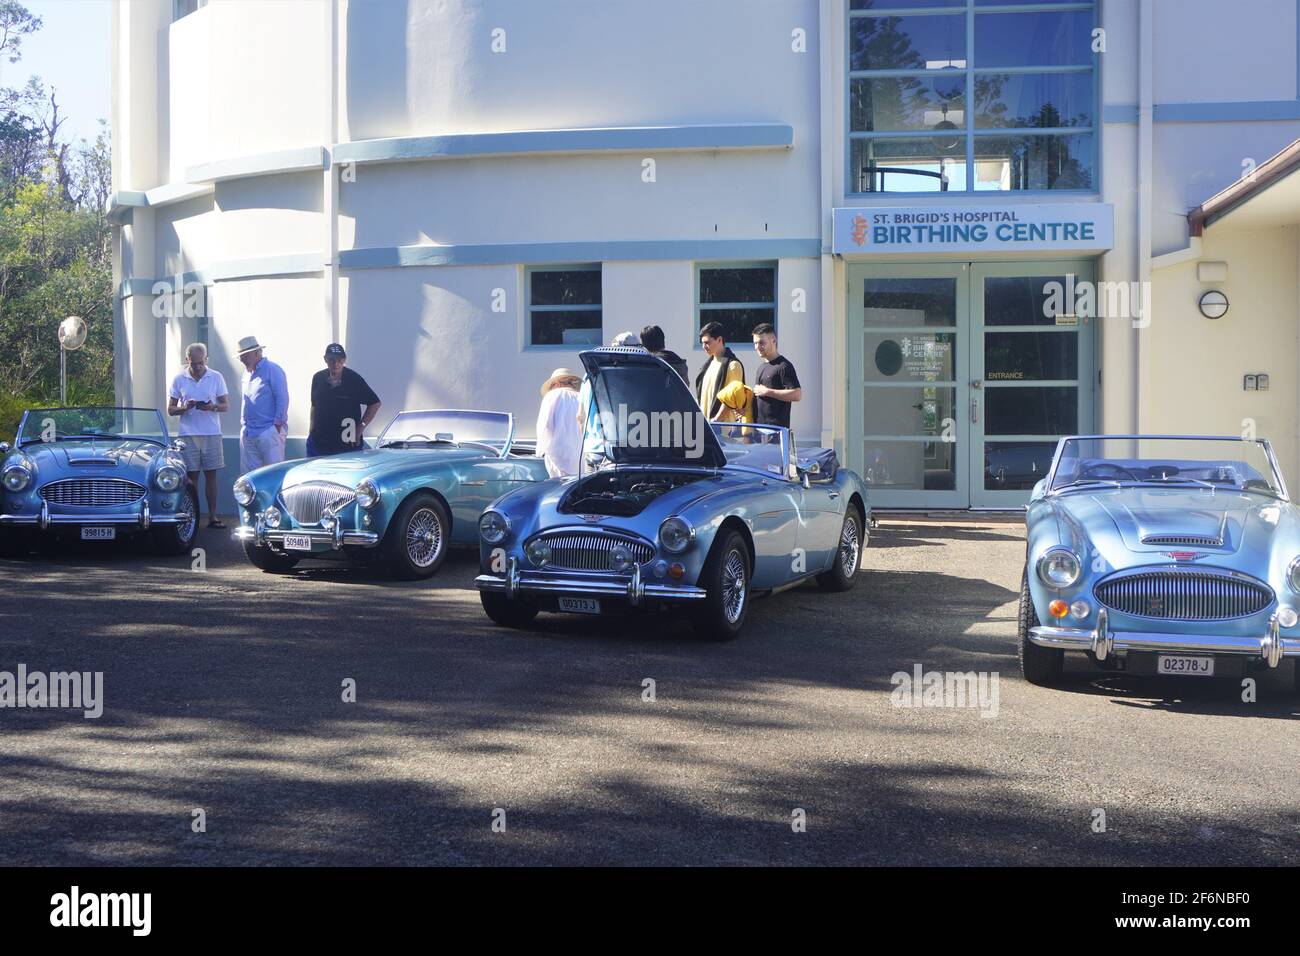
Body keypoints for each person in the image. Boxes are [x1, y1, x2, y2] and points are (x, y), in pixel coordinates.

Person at [166, 343, 229, 529]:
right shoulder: (179, 379)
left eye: (201, 363)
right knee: (191, 478)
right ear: (188, 360)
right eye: (194, 363)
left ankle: (212, 516)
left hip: (211, 433)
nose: (198, 367)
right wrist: (185, 407)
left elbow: (226, 405)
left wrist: (212, 407)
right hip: (188, 435)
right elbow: (170, 409)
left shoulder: (216, 377)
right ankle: (191, 516)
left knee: (211, 476)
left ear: (206, 360)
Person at [307, 343, 381, 456]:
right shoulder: (318, 378)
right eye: (331, 359)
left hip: (347, 444)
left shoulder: (353, 379)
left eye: (340, 359)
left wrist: (360, 428)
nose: (336, 363)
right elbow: (314, 405)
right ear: (325, 359)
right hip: (319, 444)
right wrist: (311, 429)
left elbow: (375, 403)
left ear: (344, 359)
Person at [236, 335, 289, 472]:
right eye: (241, 356)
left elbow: (282, 398)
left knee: (272, 473)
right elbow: (245, 399)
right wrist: (243, 424)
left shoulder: (273, 370)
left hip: (269, 431)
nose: (241, 359)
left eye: (245, 356)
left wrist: (277, 426)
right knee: (249, 477)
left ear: (256, 353)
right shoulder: (246, 374)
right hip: (249, 432)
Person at [750, 322, 802, 429]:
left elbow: (797, 394)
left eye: (761, 343)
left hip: (776, 433)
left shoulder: (783, 366)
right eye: (755, 343)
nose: (757, 347)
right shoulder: (761, 368)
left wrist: (768, 392)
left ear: (773, 340)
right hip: (758, 431)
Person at [535, 368, 582, 478]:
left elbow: (544, 425)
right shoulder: (581, 397)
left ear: (556, 383)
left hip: (558, 454)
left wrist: (540, 450)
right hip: (580, 457)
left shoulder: (552, 395)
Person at [695, 321, 745, 422]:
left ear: (719, 339)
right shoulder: (708, 365)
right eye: (702, 343)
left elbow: (730, 398)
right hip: (707, 427)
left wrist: (716, 420)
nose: (704, 346)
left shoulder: (733, 366)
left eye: (707, 342)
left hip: (723, 430)